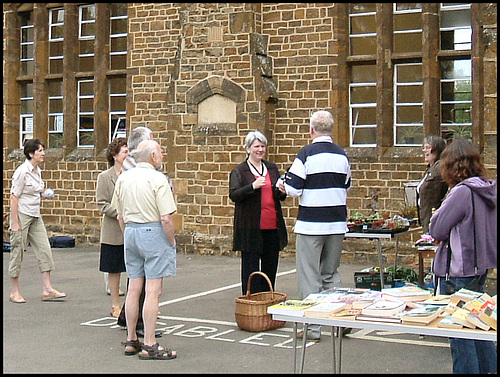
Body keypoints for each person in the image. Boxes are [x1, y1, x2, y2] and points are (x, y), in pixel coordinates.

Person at [429, 138, 497, 374]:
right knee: (479, 328)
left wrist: (440, 227)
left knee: (460, 336)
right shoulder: (488, 188)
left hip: (458, 271)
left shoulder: (461, 192)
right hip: (479, 267)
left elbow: (436, 228)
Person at [284, 110, 351, 341]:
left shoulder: (306, 154)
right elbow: (347, 184)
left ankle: (312, 328)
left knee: (309, 275)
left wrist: (284, 186)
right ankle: (342, 319)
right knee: (331, 273)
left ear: (311, 130)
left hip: (311, 225)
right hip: (336, 224)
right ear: (331, 129)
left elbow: (294, 188)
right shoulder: (342, 155)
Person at [112, 139, 177, 360]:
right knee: (153, 290)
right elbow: (166, 218)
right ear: (151, 156)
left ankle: (132, 339)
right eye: (159, 151)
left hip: (130, 231)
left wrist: (128, 234)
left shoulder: (124, 177)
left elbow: (119, 215)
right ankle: (150, 342)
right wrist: (171, 241)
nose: (162, 155)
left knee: (133, 288)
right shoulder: (158, 179)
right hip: (153, 231)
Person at [229, 130, 288, 295]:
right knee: (251, 268)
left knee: (270, 267)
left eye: (262, 146)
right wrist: (252, 187)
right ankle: (252, 301)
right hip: (251, 228)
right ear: (248, 148)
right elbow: (234, 195)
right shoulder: (240, 171)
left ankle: (267, 299)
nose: (260, 150)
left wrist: (282, 191)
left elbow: (277, 196)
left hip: (271, 226)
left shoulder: (271, 168)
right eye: (256, 146)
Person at [8, 138, 66, 303]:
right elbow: (14, 197)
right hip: (22, 214)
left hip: (35, 215)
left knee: (44, 249)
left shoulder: (37, 170)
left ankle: (48, 289)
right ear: (31, 153)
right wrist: (15, 223)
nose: (43, 153)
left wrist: (45, 192)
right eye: (40, 150)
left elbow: (37, 189)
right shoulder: (22, 172)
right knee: (18, 251)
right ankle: (15, 292)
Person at [96, 137, 129, 317]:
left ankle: (137, 305)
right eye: (124, 151)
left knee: (135, 269)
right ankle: (115, 304)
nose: (127, 154)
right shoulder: (104, 177)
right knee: (114, 268)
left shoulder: (132, 175)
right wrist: (118, 213)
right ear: (115, 155)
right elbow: (101, 203)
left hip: (131, 229)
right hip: (113, 230)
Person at [416, 135, 448, 233]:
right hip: (427, 218)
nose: (425, 151)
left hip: (435, 220)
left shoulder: (439, 168)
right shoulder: (431, 169)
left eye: (428, 148)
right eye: (424, 148)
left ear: (437, 149)